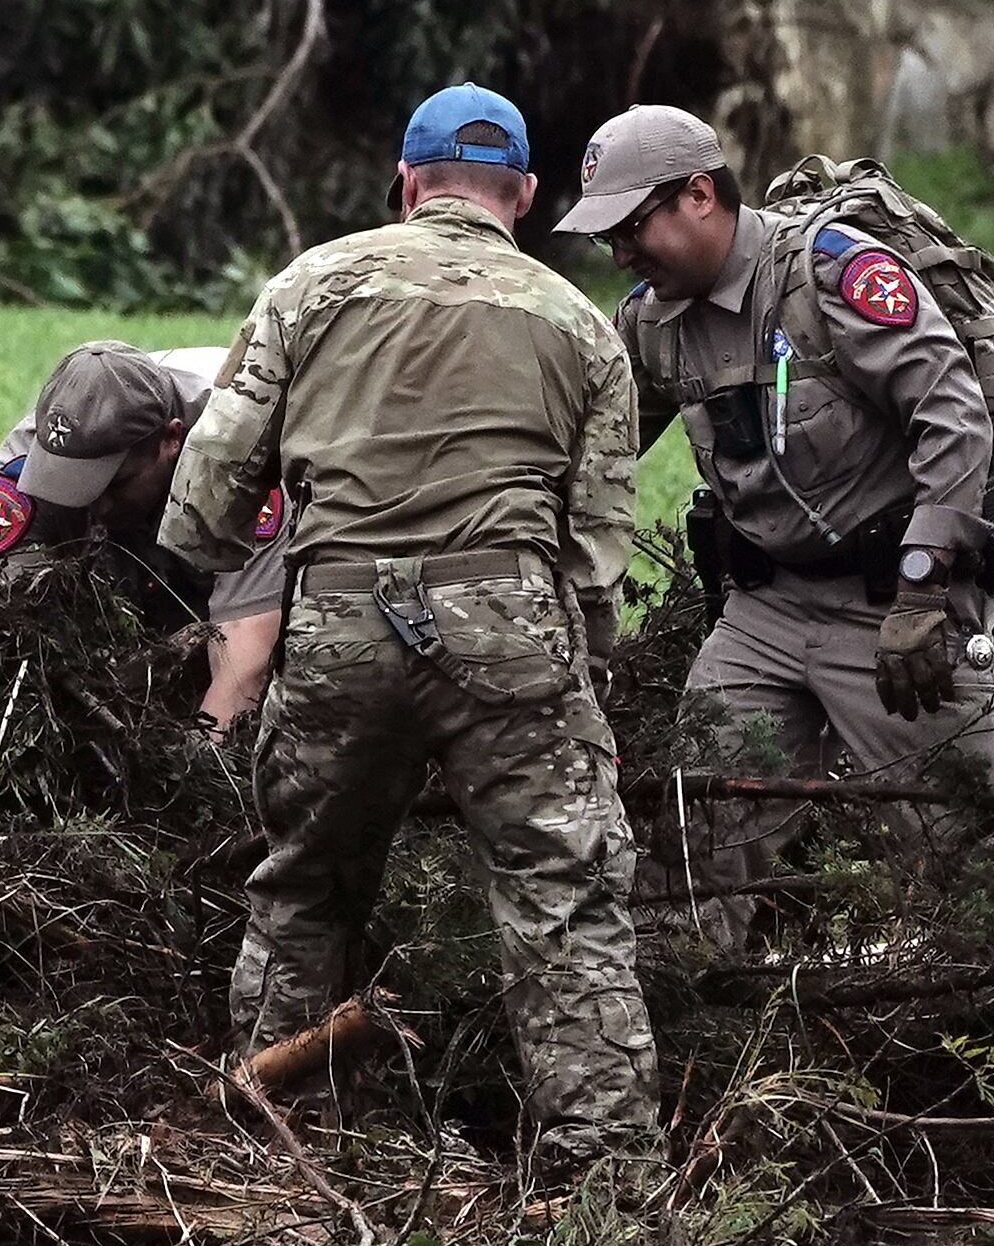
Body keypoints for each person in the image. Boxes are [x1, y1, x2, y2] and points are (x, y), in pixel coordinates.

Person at [163, 84, 661, 1170]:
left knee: (305, 882)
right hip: (511, 625)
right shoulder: (582, 326)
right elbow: (594, 554)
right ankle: (608, 1177)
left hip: (339, 619)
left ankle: (270, 1148)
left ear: (405, 183)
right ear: (525, 196)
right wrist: (571, 681)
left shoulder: (310, 284)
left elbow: (204, 498)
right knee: (562, 896)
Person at [557, 104, 994, 944]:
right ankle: (712, 1033)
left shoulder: (832, 276)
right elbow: (594, 451)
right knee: (699, 842)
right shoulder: (649, 321)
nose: (618, 252)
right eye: (604, 236)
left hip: (893, 606)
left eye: (630, 226)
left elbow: (954, 417)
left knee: (955, 860)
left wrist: (923, 590)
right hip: (764, 610)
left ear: (698, 195)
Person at [0, 339, 286, 731]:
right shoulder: (21, 471)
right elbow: (17, 627)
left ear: (170, 439)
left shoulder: (242, 452)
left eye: (115, 484)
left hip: (262, 574)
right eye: (75, 487)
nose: (97, 506)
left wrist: (195, 769)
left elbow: (246, 649)